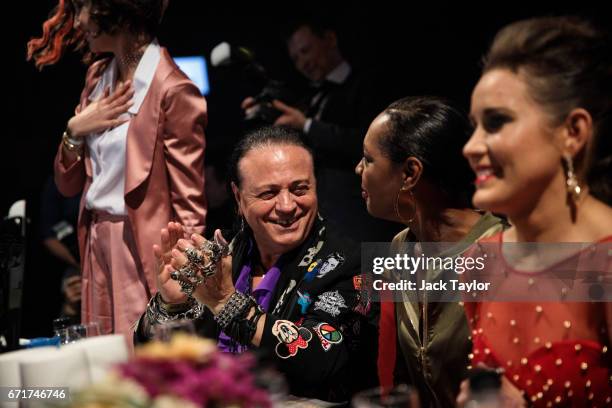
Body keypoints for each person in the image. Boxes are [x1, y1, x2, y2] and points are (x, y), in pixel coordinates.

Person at [135, 126, 377, 402]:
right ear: (238, 197)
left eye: (300, 189)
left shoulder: (356, 262)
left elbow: (322, 360)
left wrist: (227, 303)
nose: (287, 205)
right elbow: (155, 366)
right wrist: (172, 306)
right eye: (268, 193)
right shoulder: (220, 253)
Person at [28, 0, 207, 340]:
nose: (78, 21)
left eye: (83, 7)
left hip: (141, 248)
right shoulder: (97, 77)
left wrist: (183, 283)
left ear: (116, 11)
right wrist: (74, 130)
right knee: (100, 355)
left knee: (138, 355)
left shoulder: (173, 89)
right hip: (95, 241)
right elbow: (67, 185)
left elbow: (190, 206)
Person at [459, 16, 612, 407]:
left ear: (572, 132)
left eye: (496, 122)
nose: (471, 147)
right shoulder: (480, 261)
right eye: (474, 126)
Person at [355, 96, 504, 407]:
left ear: (410, 173)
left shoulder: (502, 249)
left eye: (368, 159)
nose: (358, 169)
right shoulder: (399, 248)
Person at [242, 17, 400, 243]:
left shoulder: (369, 84)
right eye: (295, 58)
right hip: (325, 218)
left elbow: (370, 144)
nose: (303, 63)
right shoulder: (308, 97)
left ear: (329, 39)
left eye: (306, 51)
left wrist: (306, 125)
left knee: (372, 277)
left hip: (363, 216)